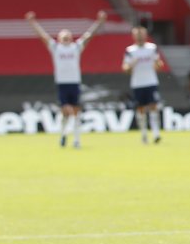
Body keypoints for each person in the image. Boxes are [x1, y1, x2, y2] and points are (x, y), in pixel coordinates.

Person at [26, 10, 107, 148]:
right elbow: (43, 36)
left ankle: (76, 140)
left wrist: (99, 22)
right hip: (62, 84)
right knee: (66, 111)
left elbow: (89, 36)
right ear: (59, 38)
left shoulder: (76, 47)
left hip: (74, 83)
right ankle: (63, 134)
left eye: (68, 36)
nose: (66, 38)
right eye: (63, 37)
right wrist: (32, 22)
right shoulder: (56, 48)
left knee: (75, 112)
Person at [122, 26, 164, 144]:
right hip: (137, 84)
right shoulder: (130, 51)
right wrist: (131, 65)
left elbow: (158, 64)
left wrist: (158, 64)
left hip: (151, 82)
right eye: (137, 35)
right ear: (134, 36)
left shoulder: (152, 48)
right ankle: (144, 134)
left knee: (153, 107)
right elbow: (125, 68)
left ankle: (156, 133)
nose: (140, 37)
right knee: (140, 110)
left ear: (145, 35)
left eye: (142, 34)